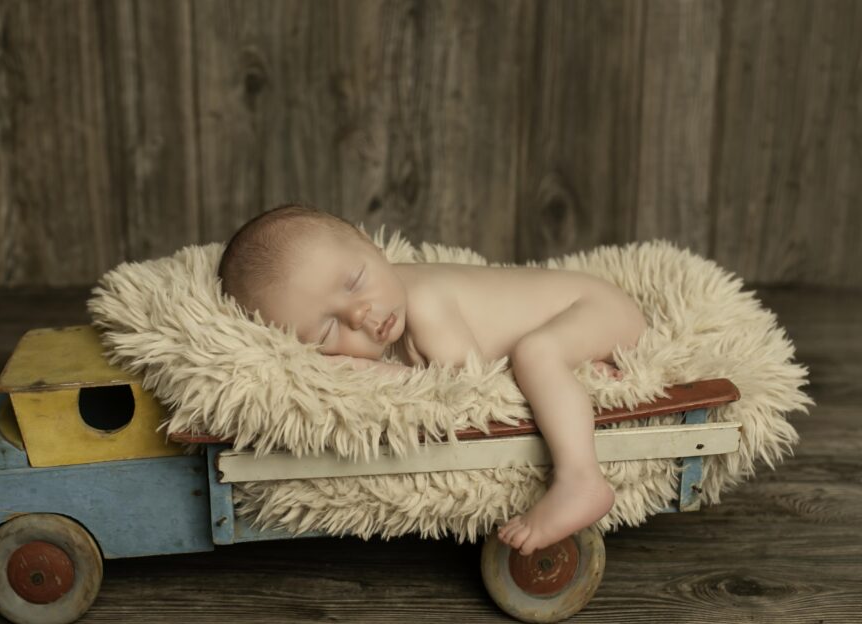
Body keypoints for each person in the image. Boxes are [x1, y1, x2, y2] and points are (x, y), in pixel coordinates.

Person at [217, 202, 647, 556]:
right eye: (327, 331)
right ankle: (577, 367)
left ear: (373, 246)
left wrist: (371, 370)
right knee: (541, 356)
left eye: (355, 281)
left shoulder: (423, 300)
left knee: (537, 354)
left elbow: (465, 388)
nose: (360, 314)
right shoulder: (382, 304)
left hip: (596, 306)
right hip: (583, 322)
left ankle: (581, 480)